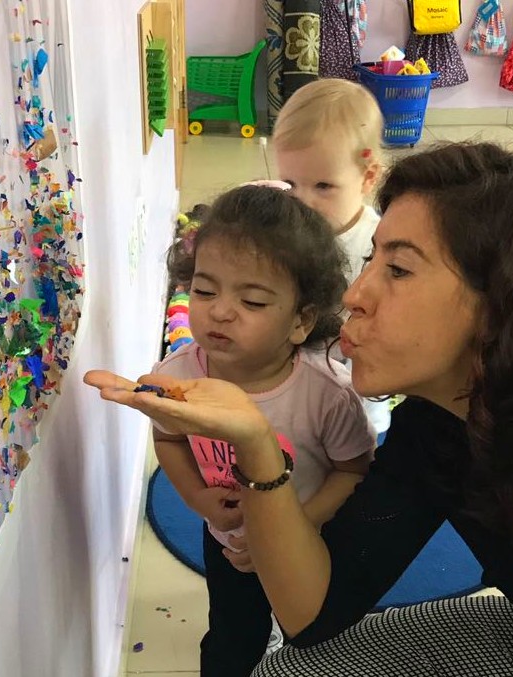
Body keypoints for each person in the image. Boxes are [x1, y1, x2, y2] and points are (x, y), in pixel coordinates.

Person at [85, 142, 513, 676]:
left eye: (397, 269)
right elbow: (314, 614)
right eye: (370, 261)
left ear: (506, 303)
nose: (354, 295)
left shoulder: (335, 401)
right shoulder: (436, 431)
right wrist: (257, 443)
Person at [152, 184, 375, 677]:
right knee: (232, 633)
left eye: (252, 301)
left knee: (317, 638)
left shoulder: (326, 393)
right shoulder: (178, 376)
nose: (221, 310)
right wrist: (197, 499)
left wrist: (301, 521)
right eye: (205, 290)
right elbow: (168, 438)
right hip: (228, 535)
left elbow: (354, 470)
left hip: (313, 535)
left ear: (301, 321)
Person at [272, 78, 391, 436]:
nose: (303, 201)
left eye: (323, 186)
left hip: (359, 394)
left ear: (368, 177)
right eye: (290, 184)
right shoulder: (287, 228)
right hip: (299, 389)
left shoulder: (380, 243)